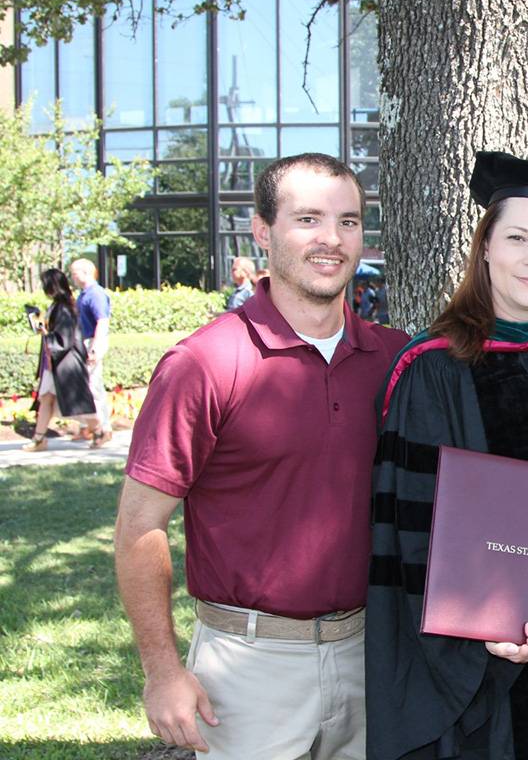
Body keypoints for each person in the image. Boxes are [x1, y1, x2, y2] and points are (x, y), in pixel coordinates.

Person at [113, 153, 409, 758]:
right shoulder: (204, 363)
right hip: (247, 667)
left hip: (370, 655)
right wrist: (164, 673)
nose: (331, 239)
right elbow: (139, 527)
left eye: (348, 222)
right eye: (307, 219)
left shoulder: (396, 359)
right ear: (261, 230)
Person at [368, 151, 528, 760]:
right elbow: (409, 532)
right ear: (485, 247)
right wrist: (483, 630)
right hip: (479, 674)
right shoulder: (435, 369)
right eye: (517, 238)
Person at [23, 268, 102, 452]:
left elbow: (63, 340)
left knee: (78, 404)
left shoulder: (64, 309)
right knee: (46, 398)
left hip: (66, 364)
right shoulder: (59, 306)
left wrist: (46, 334)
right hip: (56, 363)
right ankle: (39, 438)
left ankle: (99, 429)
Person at [69, 258, 113, 447]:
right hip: (85, 342)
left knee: (94, 388)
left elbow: (102, 322)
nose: (72, 277)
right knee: (87, 387)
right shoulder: (84, 294)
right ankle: (88, 427)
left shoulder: (95, 294)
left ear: (86, 272)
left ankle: (103, 429)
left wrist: (94, 348)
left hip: (92, 342)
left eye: (74, 273)